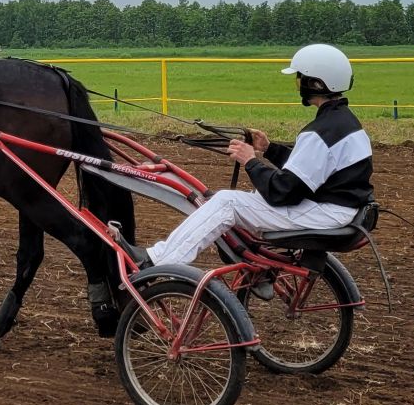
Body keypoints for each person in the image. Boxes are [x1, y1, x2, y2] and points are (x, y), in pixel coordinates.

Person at [140, 43, 374, 268]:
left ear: (316, 83)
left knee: (226, 202)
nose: (298, 84)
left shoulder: (320, 131)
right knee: (245, 201)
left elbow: (283, 191)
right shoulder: (345, 123)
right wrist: (269, 149)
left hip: (325, 213)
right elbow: (313, 169)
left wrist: (250, 160)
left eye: (300, 78)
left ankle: (161, 260)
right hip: (338, 209)